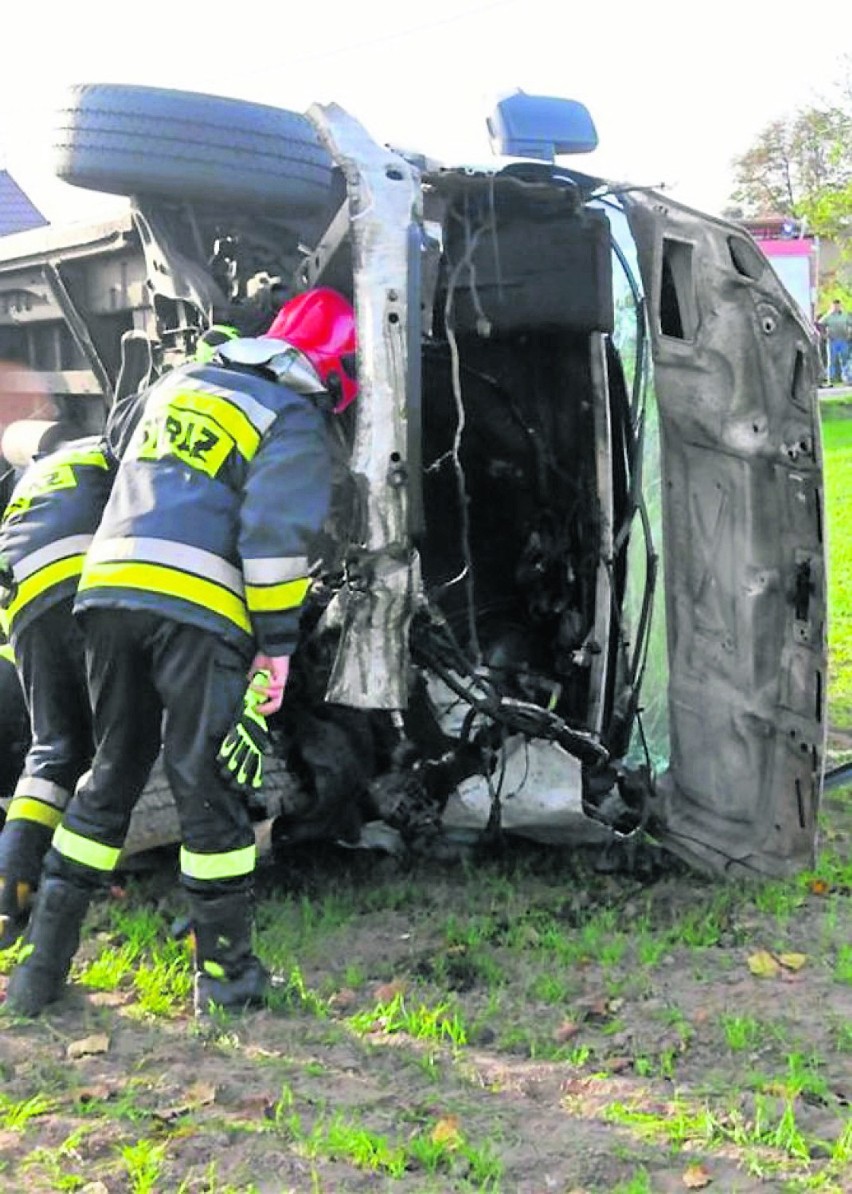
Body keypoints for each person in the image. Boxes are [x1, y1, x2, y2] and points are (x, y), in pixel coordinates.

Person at [5, 287, 357, 1019]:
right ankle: (228, 985)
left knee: (111, 774)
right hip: (197, 614)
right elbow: (272, 543)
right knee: (207, 788)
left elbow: (116, 445)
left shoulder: (180, 381)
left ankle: (38, 973)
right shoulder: (292, 416)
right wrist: (279, 646)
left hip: (103, 597)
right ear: (330, 376)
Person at [0, 435, 118, 949]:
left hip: (23, 596)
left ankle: (10, 888)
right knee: (120, 739)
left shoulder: (38, 475)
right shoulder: (114, 448)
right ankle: (73, 882)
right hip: (92, 575)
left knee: (53, 748)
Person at [819, 299, 851, 386]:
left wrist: (850, 334)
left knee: (845, 360)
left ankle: (847, 379)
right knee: (831, 361)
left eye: (838, 305)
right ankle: (831, 380)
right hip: (832, 341)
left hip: (843, 340)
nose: (837, 307)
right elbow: (819, 324)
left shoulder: (845, 315)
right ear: (832, 306)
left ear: (840, 306)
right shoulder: (828, 316)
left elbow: (850, 324)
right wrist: (823, 335)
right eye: (835, 306)